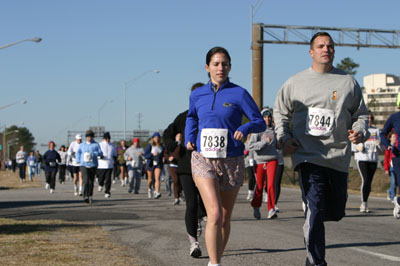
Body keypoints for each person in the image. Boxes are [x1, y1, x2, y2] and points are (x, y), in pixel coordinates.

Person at [273, 32, 369, 266]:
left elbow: (361, 114)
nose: (326, 49)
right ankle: (317, 261)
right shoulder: (295, 82)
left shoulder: (348, 82)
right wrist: (284, 137)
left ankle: (312, 250)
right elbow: (280, 113)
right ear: (311, 52)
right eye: (321, 46)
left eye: (330, 46)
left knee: (334, 212)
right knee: (315, 207)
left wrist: (360, 131)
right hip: (307, 155)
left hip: (337, 157)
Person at [185, 47, 265, 266]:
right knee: (215, 213)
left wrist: (246, 128)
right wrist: (189, 138)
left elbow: (260, 120)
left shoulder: (239, 93)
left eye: (225, 64)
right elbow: (191, 117)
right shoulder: (197, 94)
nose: (221, 68)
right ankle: (214, 264)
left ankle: (217, 257)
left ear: (230, 67)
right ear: (207, 67)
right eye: (216, 64)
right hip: (203, 158)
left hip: (232, 158)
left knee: (226, 216)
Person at [163, 81, 208, 258]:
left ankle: (199, 217)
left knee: (205, 204)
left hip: (207, 167)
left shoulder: (211, 115)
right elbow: (168, 134)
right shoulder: (183, 117)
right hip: (186, 166)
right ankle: (193, 243)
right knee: (191, 202)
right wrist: (173, 143)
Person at [249, 108, 279, 220]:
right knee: (260, 185)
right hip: (259, 160)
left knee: (271, 184)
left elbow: (278, 144)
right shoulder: (257, 130)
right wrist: (264, 142)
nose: (267, 119)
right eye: (265, 117)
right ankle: (256, 206)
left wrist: (280, 145)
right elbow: (250, 146)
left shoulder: (275, 131)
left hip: (272, 159)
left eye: (269, 117)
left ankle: (271, 209)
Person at [352, 111, 382, 213]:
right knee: (365, 179)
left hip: (373, 158)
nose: (369, 120)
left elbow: (381, 146)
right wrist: (357, 147)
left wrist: (379, 144)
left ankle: (366, 201)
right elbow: (353, 142)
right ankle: (363, 203)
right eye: (367, 119)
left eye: (371, 119)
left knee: (369, 181)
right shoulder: (361, 129)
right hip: (362, 158)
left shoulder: (376, 130)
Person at [380, 94, 400, 219]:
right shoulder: (394, 117)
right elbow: (382, 134)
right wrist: (387, 145)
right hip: (398, 156)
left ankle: (398, 201)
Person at [76, 130, 103, 203]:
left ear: (92, 137)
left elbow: (100, 153)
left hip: (93, 165)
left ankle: (90, 195)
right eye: (88, 137)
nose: (89, 138)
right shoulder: (82, 145)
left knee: (91, 182)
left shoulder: (96, 144)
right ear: (86, 137)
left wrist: (94, 154)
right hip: (83, 164)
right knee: (86, 180)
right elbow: (78, 153)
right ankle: (85, 196)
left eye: (90, 137)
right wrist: (77, 160)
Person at [144, 132, 165, 199]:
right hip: (150, 164)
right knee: (150, 179)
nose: (157, 139)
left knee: (157, 178)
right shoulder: (150, 146)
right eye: (155, 137)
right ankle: (149, 189)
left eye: (158, 137)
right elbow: (145, 155)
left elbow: (164, 153)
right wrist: (152, 155)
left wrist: (163, 157)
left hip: (158, 164)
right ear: (153, 138)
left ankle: (157, 192)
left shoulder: (162, 146)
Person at [97, 132, 117, 198]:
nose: (108, 140)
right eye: (106, 139)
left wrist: (115, 158)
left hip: (109, 165)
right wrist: (100, 157)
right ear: (104, 138)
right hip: (102, 165)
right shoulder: (100, 144)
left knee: (108, 179)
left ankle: (107, 192)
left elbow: (115, 153)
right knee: (101, 178)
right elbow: (96, 154)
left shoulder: (112, 145)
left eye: (109, 139)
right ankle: (100, 184)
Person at [383, 131, 397, 202]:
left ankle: (389, 191)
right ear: (390, 138)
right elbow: (386, 159)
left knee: (397, 183)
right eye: (393, 137)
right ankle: (393, 198)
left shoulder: (398, 146)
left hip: (397, 167)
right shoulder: (388, 147)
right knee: (393, 183)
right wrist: (386, 168)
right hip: (391, 168)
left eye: (396, 137)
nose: (395, 138)